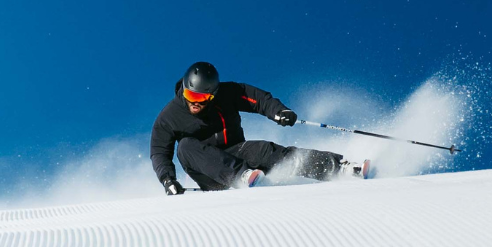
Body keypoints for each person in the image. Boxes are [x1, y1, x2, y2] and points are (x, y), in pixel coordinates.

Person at [150, 61, 369, 195]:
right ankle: (241, 177)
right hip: (209, 173)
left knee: (268, 151)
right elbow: (160, 151)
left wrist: (279, 111)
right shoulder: (169, 116)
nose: (194, 102)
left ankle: (340, 168)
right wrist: (168, 179)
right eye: (190, 95)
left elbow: (258, 99)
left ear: (213, 95)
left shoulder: (228, 94)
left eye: (201, 97)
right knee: (185, 146)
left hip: (237, 152)